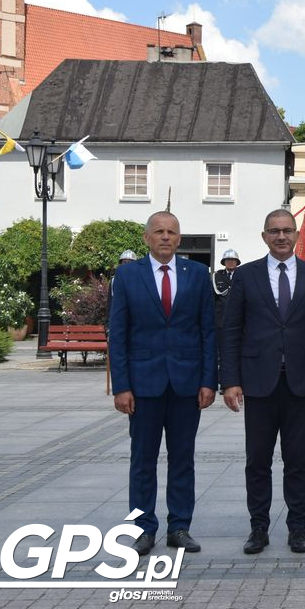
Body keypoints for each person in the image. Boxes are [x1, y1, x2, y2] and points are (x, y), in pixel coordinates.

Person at [219, 209, 305, 555]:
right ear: (264, 236)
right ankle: (259, 528)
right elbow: (230, 331)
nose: (282, 236)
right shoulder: (245, 275)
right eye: (275, 231)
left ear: (296, 236)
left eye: (287, 231)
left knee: (297, 460)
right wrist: (230, 380)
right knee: (257, 460)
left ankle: (297, 528)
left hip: (301, 383)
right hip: (258, 383)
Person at [107, 211, 217, 555]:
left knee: (183, 458)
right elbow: (118, 335)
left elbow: (207, 330)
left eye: (171, 232)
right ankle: (143, 528)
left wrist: (208, 380)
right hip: (143, 386)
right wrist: (121, 386)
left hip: (186, 384)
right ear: (146, 238)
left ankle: (180, 527)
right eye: (159, 232)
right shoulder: (127, 276)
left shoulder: (198, 274)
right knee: (142, 460)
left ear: (179, 239)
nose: (165, 237)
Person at [106, 249, 138, 325]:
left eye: (130, 262)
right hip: (119, 321)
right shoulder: (114, 280)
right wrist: (108, 324)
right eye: (124, 262)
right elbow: (110, 303)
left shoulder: (141, 279)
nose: (127, 265)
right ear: (120, 264)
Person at [213, 249, 241, 331]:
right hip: (221, 317)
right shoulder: (217, 275)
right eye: (228, 260)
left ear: (237, 262)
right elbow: (213, 298)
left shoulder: (242, 274)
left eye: (233, 260)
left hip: (238, 316)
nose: (230, 262)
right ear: (224, 262)